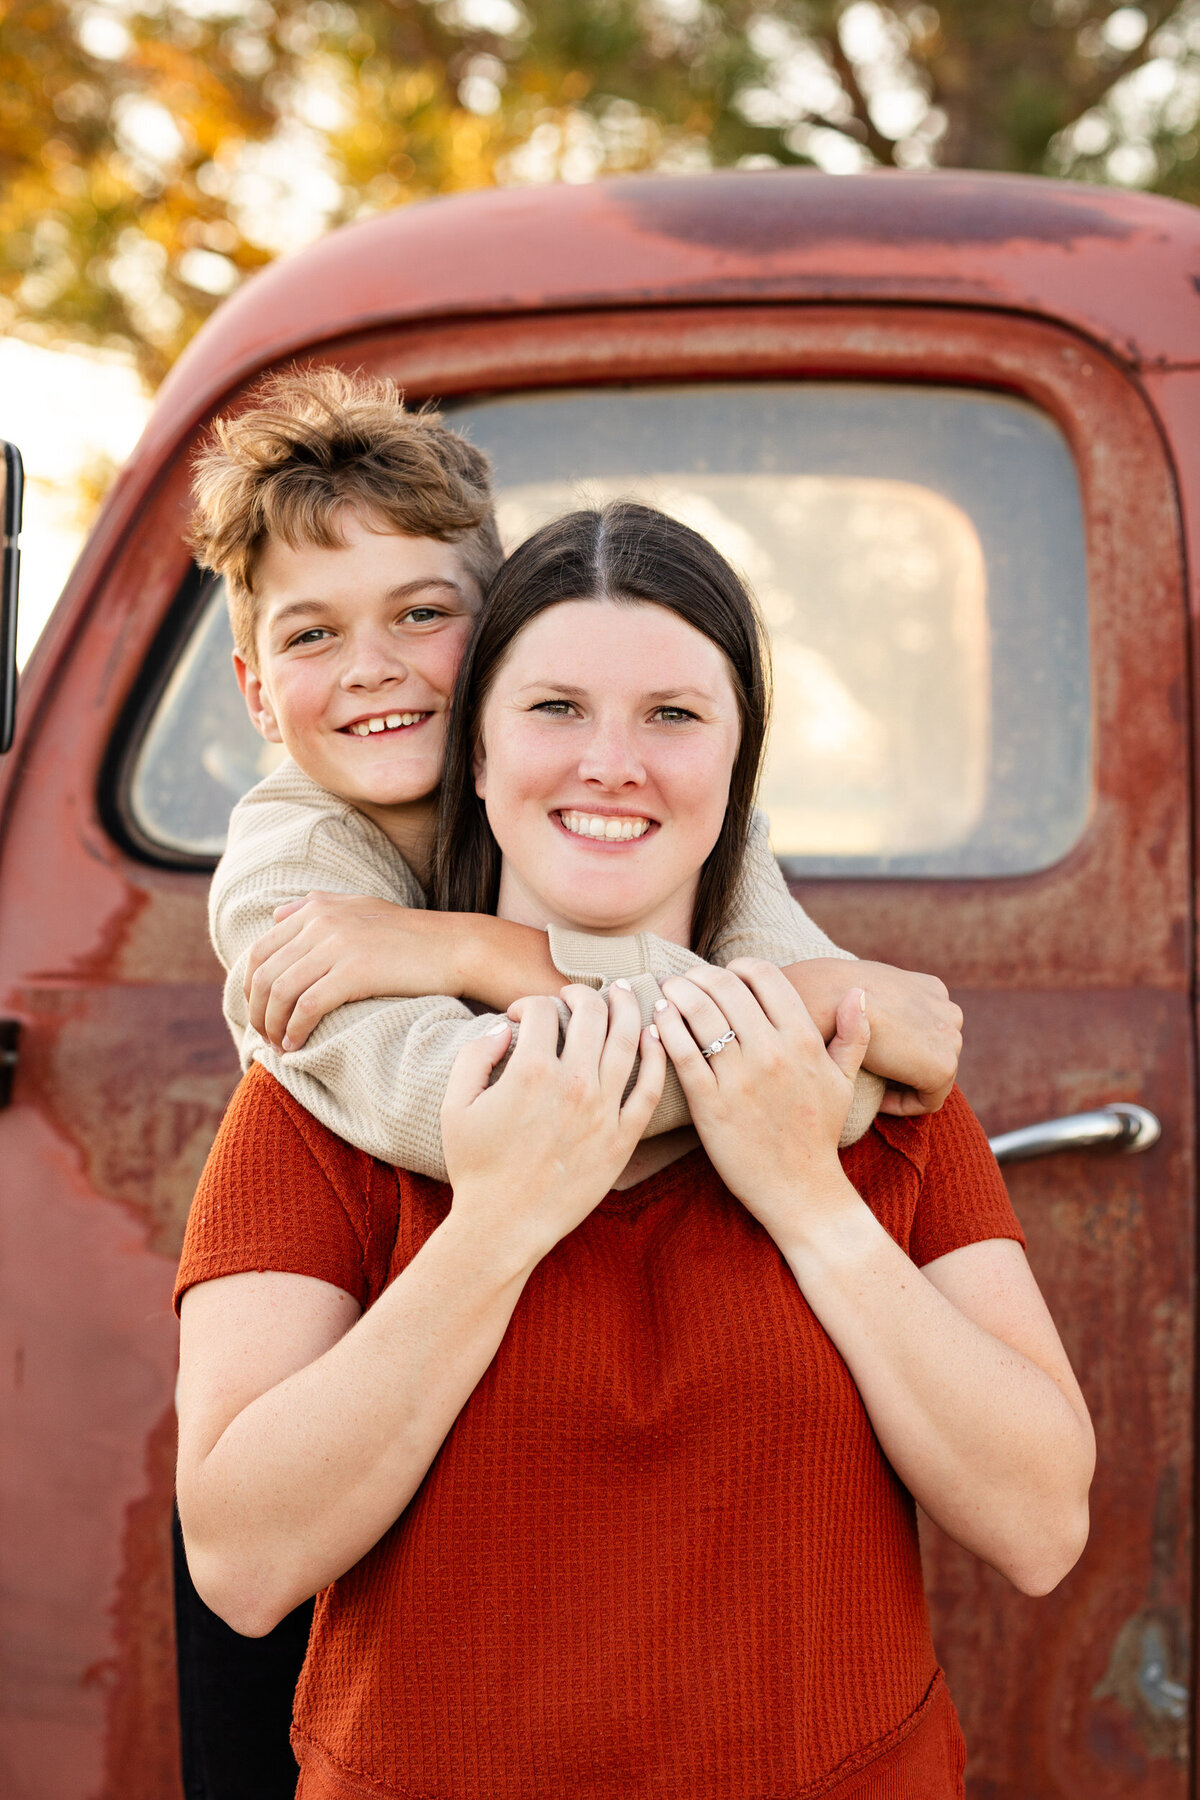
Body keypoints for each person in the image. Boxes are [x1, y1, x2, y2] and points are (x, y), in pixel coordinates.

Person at [175, 502, 1094, 1800]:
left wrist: (806, 1201)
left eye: (673, 715)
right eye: (554, 709)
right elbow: (242, 1561)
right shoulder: (325, 1102)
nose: (612, 761)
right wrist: (493, 1230)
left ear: (737, 765)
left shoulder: (861, 1087)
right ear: (476, 757)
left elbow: (1043, 1521)